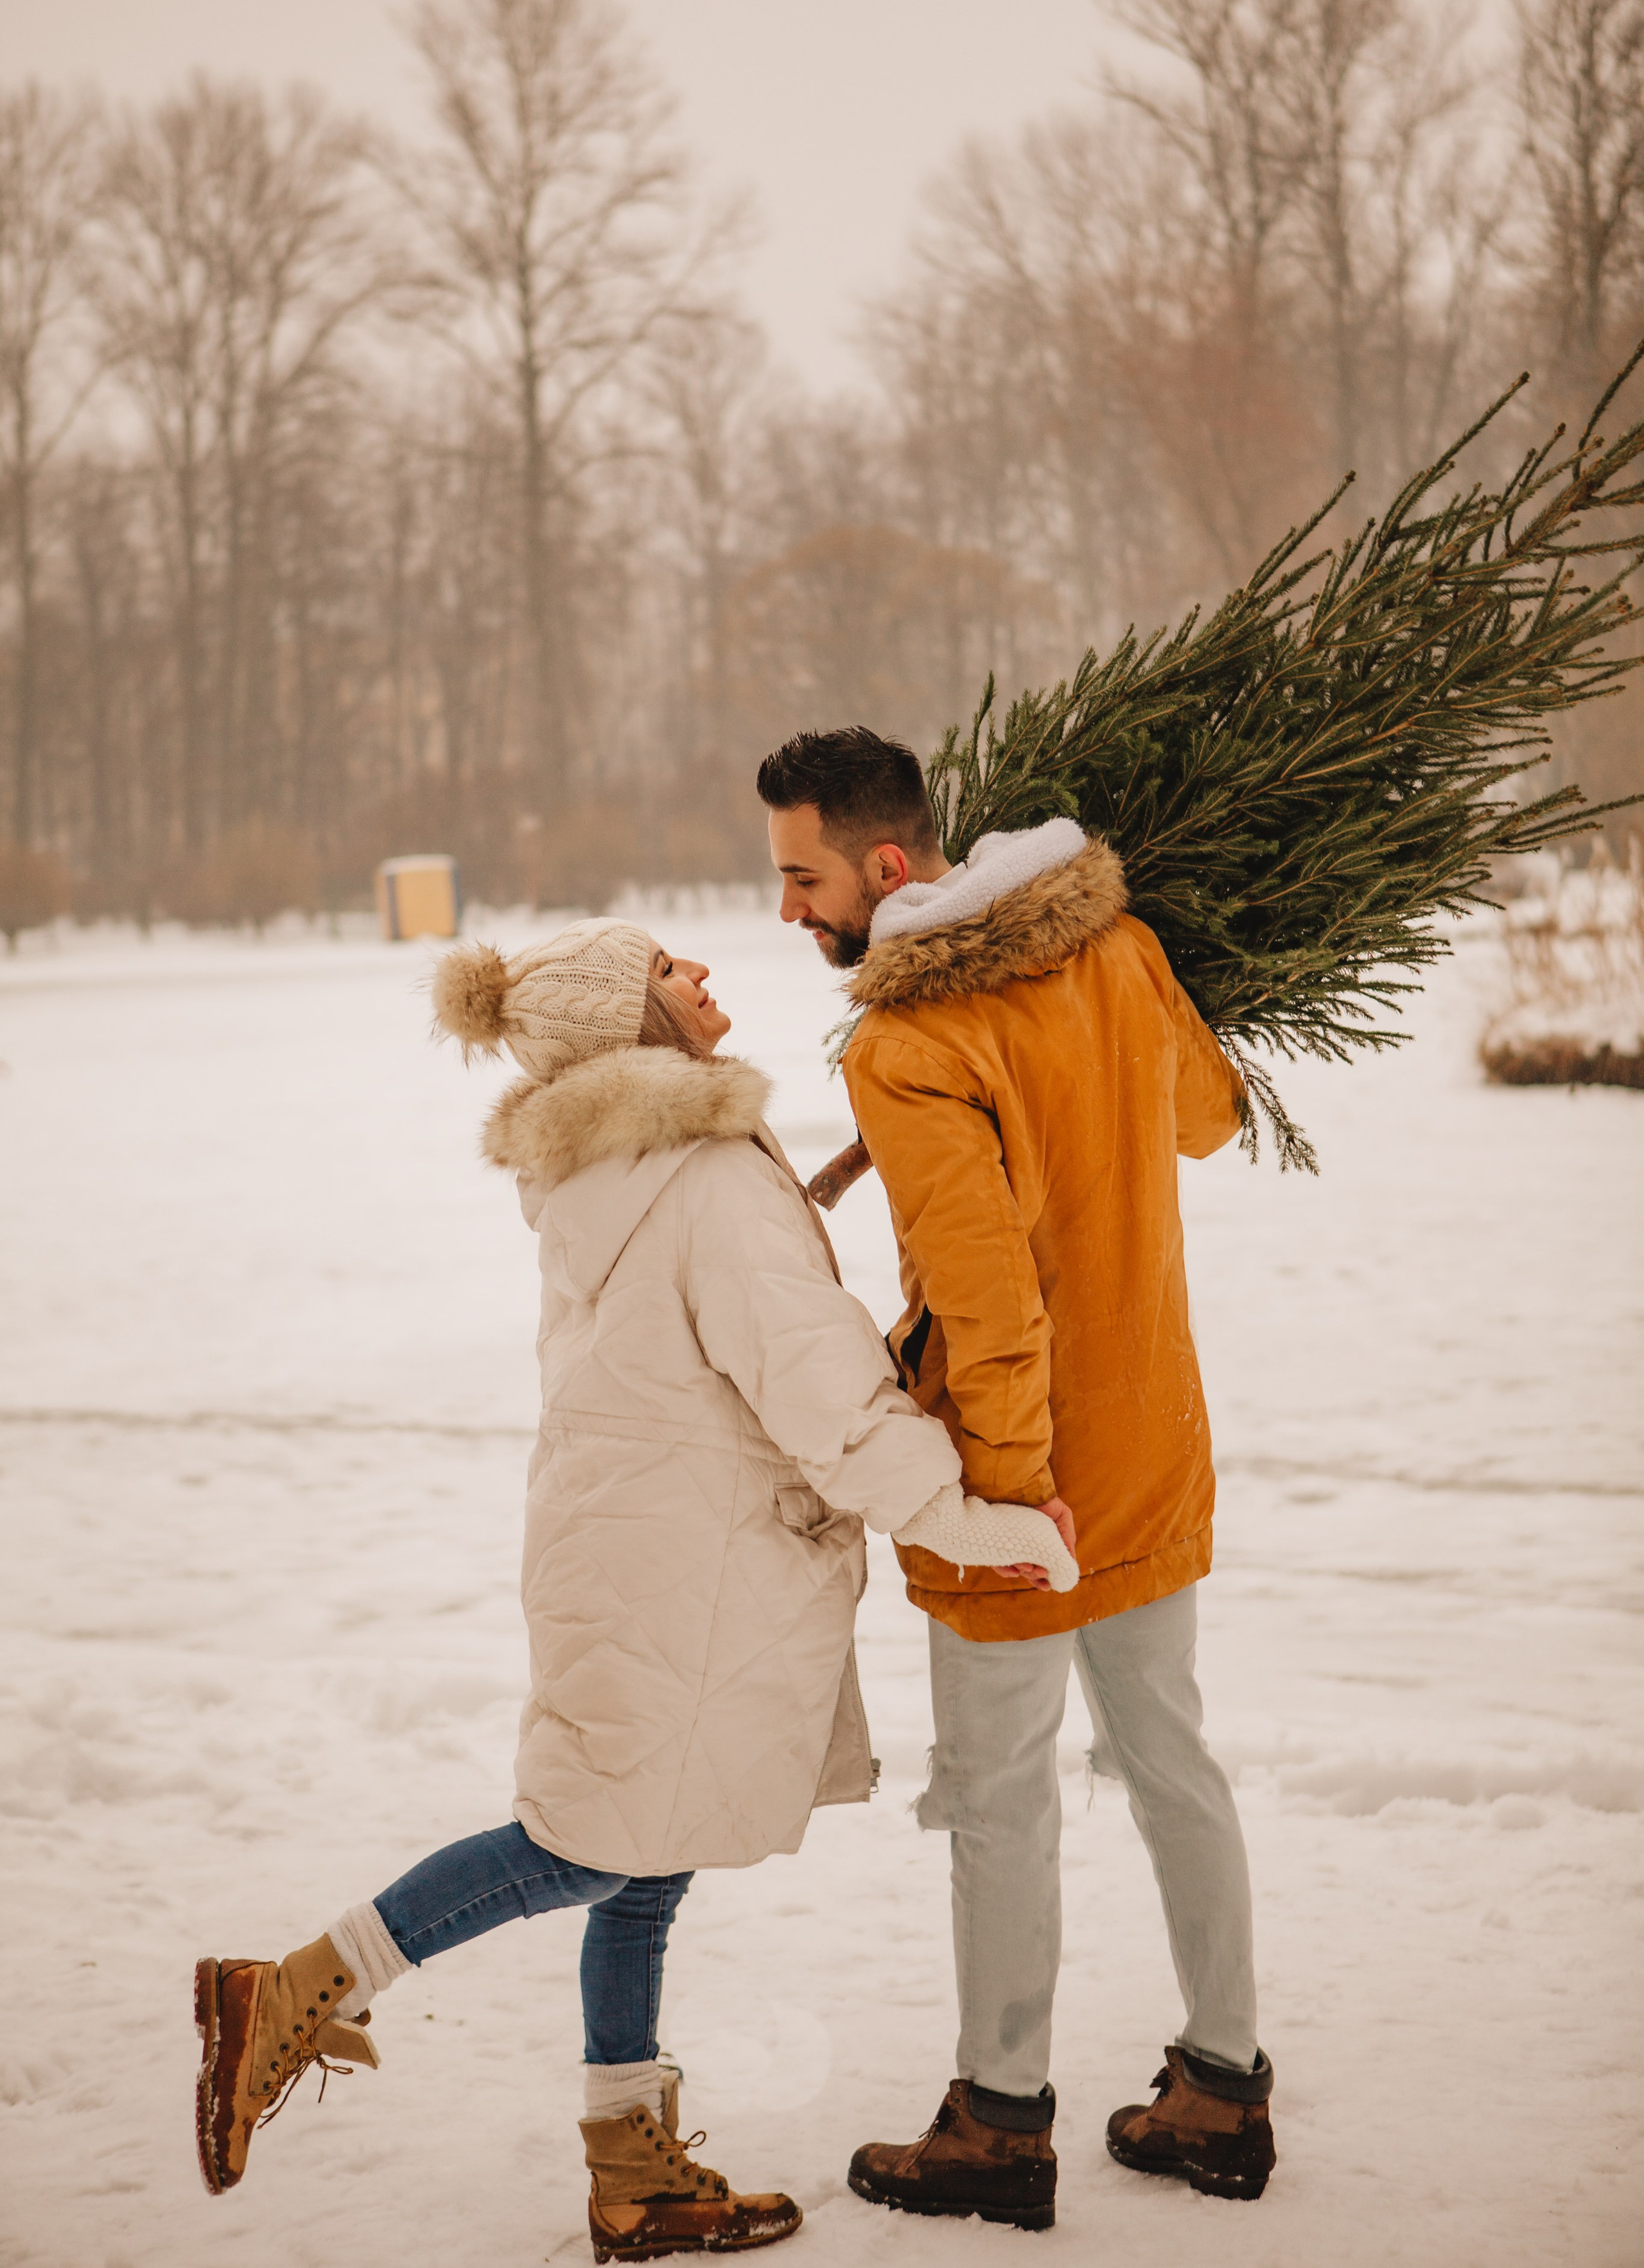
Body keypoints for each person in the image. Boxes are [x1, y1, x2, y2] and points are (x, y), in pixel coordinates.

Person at [192, 915, 1074, 2263]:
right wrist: (962, 1515)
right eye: (670, 969)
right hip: (684, 1564)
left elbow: (709, 1290)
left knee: (644, 1858)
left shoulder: (624, 1164)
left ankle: (632, 2179)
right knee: (586, 1842)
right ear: (633, 1027)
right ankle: (299, 1987)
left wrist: (806, 1191)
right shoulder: (707, 1177)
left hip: (637, 1542)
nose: (702, 973)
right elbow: (817, 1389)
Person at [759, 725, 1276, 2233]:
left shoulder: (908, 1047)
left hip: (1023, 1478)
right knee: (1170, 1755)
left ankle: (997, 2125)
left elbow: (986, 1309)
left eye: (801, 878)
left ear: (889, 865)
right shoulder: (1110, 945)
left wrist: (1006, 1500)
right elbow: (1203, 1116)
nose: (788, 910)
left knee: (997, 1799)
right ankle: (1223, 2089)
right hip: (1153, 1442)